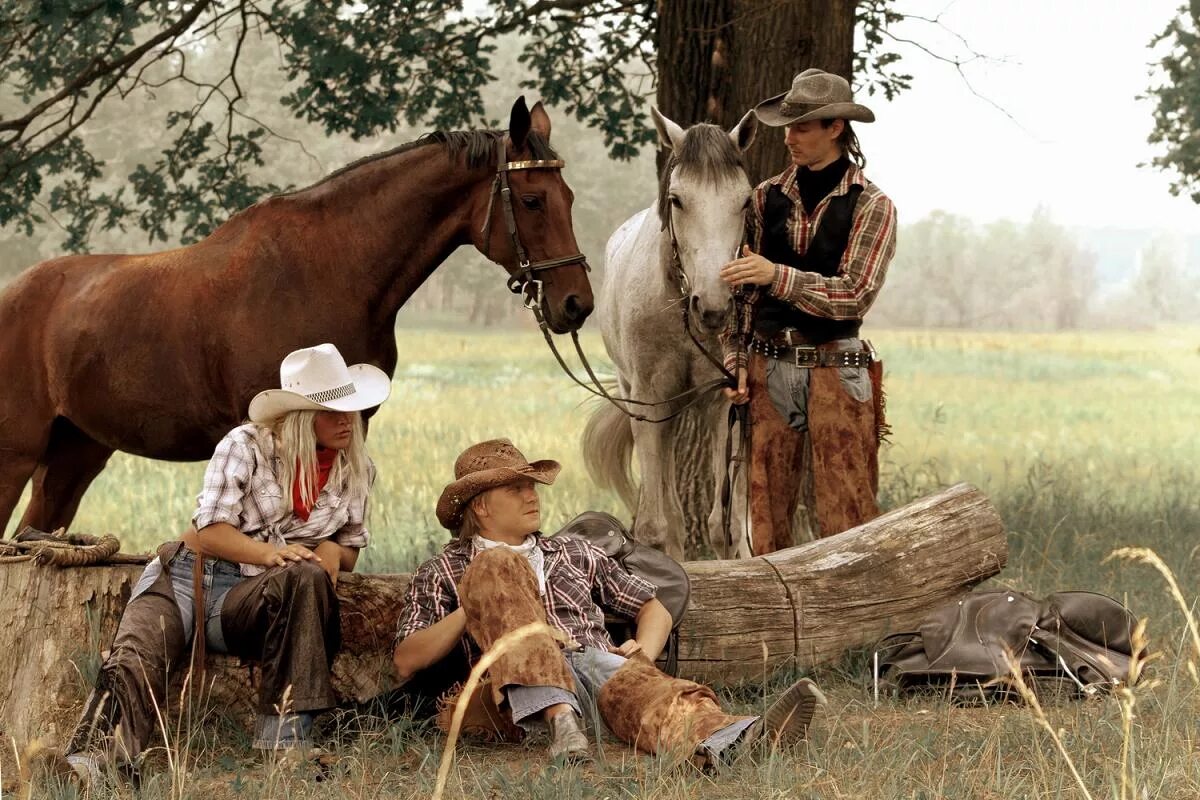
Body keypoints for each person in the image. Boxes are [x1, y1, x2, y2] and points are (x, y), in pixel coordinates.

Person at [62, 343, 390, 784]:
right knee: (137, 653)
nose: (347, 419)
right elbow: (210, 530)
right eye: (332, 410)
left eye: (349, 408)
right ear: (299, 416)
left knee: (307, 577)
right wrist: (270, 554)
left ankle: (289, 748)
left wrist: (332, 551)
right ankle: (93, 763)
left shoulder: (357, 468)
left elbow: (349, 548)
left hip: (252, 596)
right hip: (188, 575)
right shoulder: (246, 445)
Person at [392, 438, 825, 766]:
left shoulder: (575, 552)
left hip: (590, 666)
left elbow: (652, 605)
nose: (532, 496)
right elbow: (407, 660)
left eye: (532, 486)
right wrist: (479, 599)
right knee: (495, 566)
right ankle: (559, 718)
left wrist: (645, 652)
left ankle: (740, 741)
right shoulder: (442, 570)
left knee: (649, 688)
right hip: (512, 697)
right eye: (517, 488)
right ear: (482, 507)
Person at [718, 68, 897, 554]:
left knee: (849, 516)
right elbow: (741, 297)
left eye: (800, 127)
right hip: (767, 364)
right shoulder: (763, 197)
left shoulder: (872, 205)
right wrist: (734, 359)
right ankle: (774, 623)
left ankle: (859, 618)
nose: (788, 138)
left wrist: (775, 275)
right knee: (763, 517)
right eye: (787, 127)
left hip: (838, 369)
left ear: (835, 128)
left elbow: (855, 294)